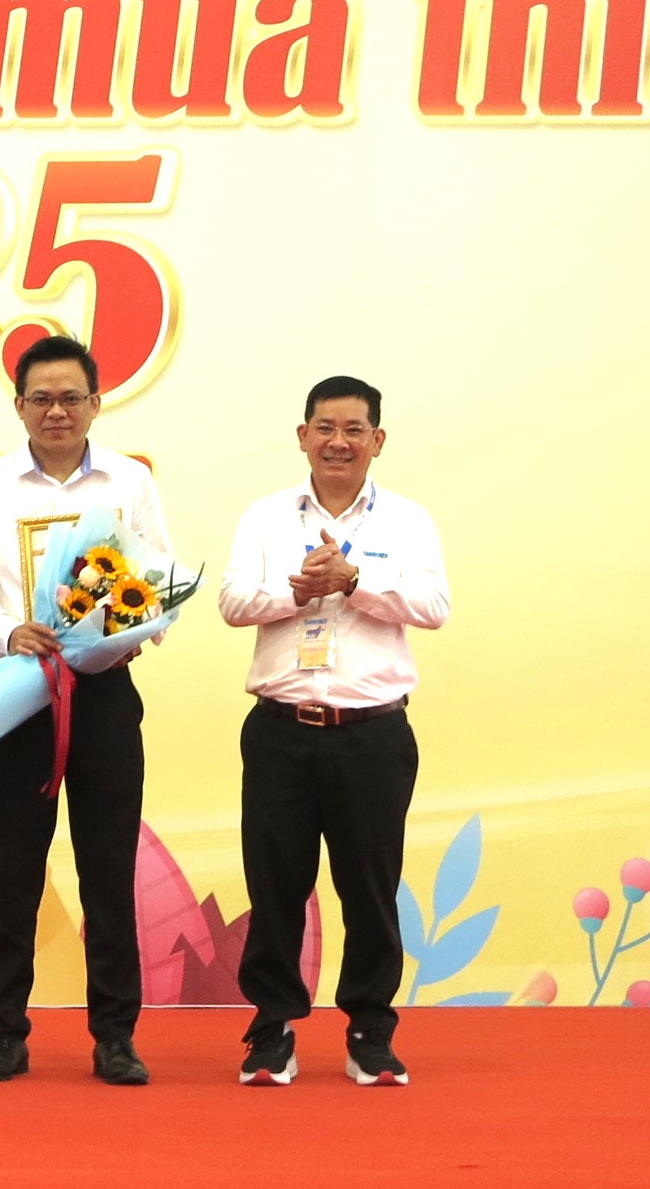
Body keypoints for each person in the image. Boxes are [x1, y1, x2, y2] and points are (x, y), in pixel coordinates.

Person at [0, 335, 175, 1086]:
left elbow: (160, 575)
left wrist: (134, 628)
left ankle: (115, 1036)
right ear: (18, 406)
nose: (56, 411)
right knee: (14, 868)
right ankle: (6, 1031)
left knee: (108, 868)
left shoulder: (130, 480)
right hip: (19, 693)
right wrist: (5, 631)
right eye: (41, 398)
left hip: (104, 695)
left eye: (71, 397)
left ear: (95, 404)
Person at [219, 376, 448, 1087]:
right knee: (275, 886)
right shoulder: (266, 516)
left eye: (353, 430)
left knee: (370, 889)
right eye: (325, 427)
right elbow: (232, 601)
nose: (338, 442)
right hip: (280, 730)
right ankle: (272, 1031)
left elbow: (434, 606)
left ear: (377, 439)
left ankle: (370, 1033)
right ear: (303, 436)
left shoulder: (407, 520)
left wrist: (353, 583)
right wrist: (296, 589)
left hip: (372, 734)